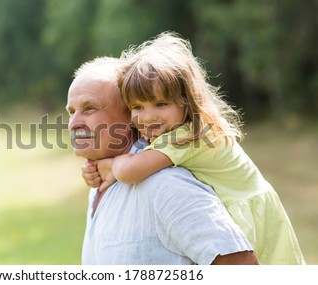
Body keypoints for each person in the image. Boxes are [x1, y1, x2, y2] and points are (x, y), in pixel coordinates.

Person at [83, 32, 305, 264]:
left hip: (250, 214)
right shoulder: (169, 128)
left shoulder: (187, 136)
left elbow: (131, 171)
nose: (148, 117)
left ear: (187, 101)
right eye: (137, 106)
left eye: (161, 104)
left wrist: (111, 165)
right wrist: (96, 167)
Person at [67, 56, 259, 264]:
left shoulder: (167, 184)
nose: (73, 123)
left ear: (131, 116)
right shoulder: (99, 182)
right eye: (71, 112)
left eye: (89, 108)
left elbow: (242, 268)